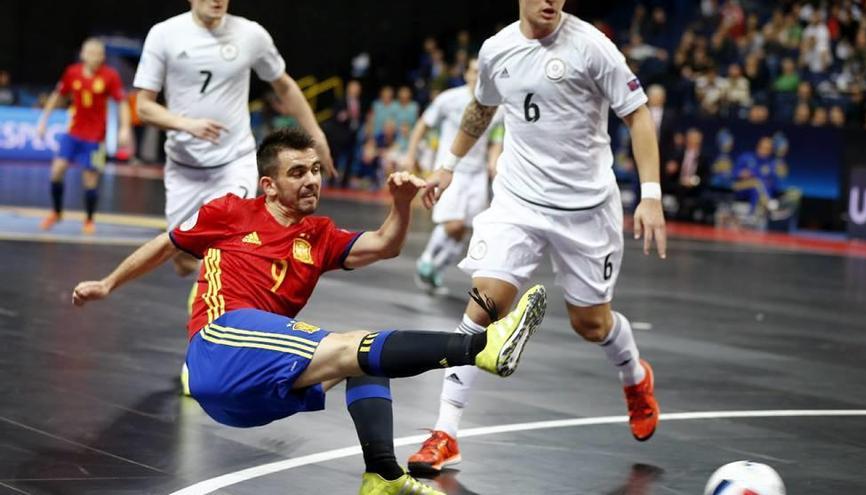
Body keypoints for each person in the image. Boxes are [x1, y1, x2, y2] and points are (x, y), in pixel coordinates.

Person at [71, 128, 547, 495]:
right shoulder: (232, 212)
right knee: (353, 346)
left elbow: (383, 245)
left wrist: (400, 205)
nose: (312, 180)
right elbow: (166, 243)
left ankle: (381, 474)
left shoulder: (318, 235)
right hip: (219, 345)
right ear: (269, 185)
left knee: (365, 361)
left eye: (315, 169)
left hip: (256, 396)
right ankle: (479, 346)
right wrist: (107, 284)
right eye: (297, 172)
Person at [410, 0, 666, 473]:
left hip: (586, 211)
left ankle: (634, 375)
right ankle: (445, 432)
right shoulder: (496, 50)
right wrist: (447, 167)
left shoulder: (593, 48)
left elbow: (639, 115)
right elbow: (481, 108)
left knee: (591, 325)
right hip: (518, 202)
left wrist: (650, 194)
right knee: (484, 304)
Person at [133, 0, 335, 276]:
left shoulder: (250, 34)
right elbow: (143, 106)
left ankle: (214, 307)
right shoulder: (164, 34)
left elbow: (284, 85)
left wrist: (317, 135)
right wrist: (186, 124)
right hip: (185, 167)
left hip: (234, 161)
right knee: (182, 260)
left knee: (227, 243)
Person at [402, 58, 503, 293]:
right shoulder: (448, 99)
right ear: (466, 74)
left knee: (465, 229)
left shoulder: (498, 106)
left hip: (477, 175)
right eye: (474, 71)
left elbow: (496, 140)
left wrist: (493, 163)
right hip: (449, 171)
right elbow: (422, 125)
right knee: (453, 223)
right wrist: (410, 154)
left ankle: (436, 269)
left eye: (482, 72)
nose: (477, 76)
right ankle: (426, 259)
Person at [36, 38, 131, 234]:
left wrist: (125, 129)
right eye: (92, 53)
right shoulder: (73, 73)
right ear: (83, 55)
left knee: (90, 180)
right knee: (56, 171)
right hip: (73, 133)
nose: (96, 57)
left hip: (95, 138)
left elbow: (121, 102)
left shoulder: (110, 76)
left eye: (100, 54)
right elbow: (58, 96)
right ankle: (56, 212)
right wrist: (43, 120)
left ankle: (88, 219)